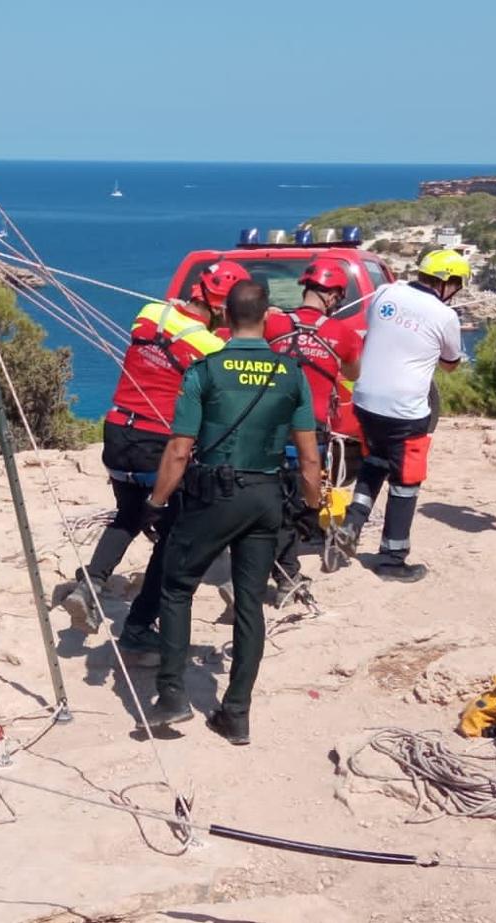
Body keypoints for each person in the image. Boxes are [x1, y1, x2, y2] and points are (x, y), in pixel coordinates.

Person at [137, 281, 322, 745]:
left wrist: (156, 504)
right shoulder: (290, 373)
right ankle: (236, 712)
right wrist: (311, 511)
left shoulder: (206, 370)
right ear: (267, 318)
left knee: (178, 585)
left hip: (215, 494)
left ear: (223, 318)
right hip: (266, 497)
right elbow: (310, 458)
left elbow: (179, 450)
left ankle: (172, 694)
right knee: (249, 601)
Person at [70, 262, 244, 616]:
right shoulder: (210, 347)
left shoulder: (149, 314)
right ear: (222, 308)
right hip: (157, 442)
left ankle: (89, 585)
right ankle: (149, 620)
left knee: (129, 515)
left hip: (117, 432)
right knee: (180, 529)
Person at [334, 249, 470, 582]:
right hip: (405, 410)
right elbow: (451, 365)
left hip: (365, 400)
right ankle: (393, 559)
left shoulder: (385, 292)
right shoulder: (445, 315)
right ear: (447, 282)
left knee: (375, 462)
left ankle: (352, 524)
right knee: (406, 481)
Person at [263, 256, 363, 597]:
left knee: (271, 497)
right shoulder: (343, 334)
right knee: (298, 503)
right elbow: (353, 374)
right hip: (312, 430)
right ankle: (284, 573)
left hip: (267, 426)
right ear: (333, 296)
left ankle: (280, 568)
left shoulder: (273, 324)